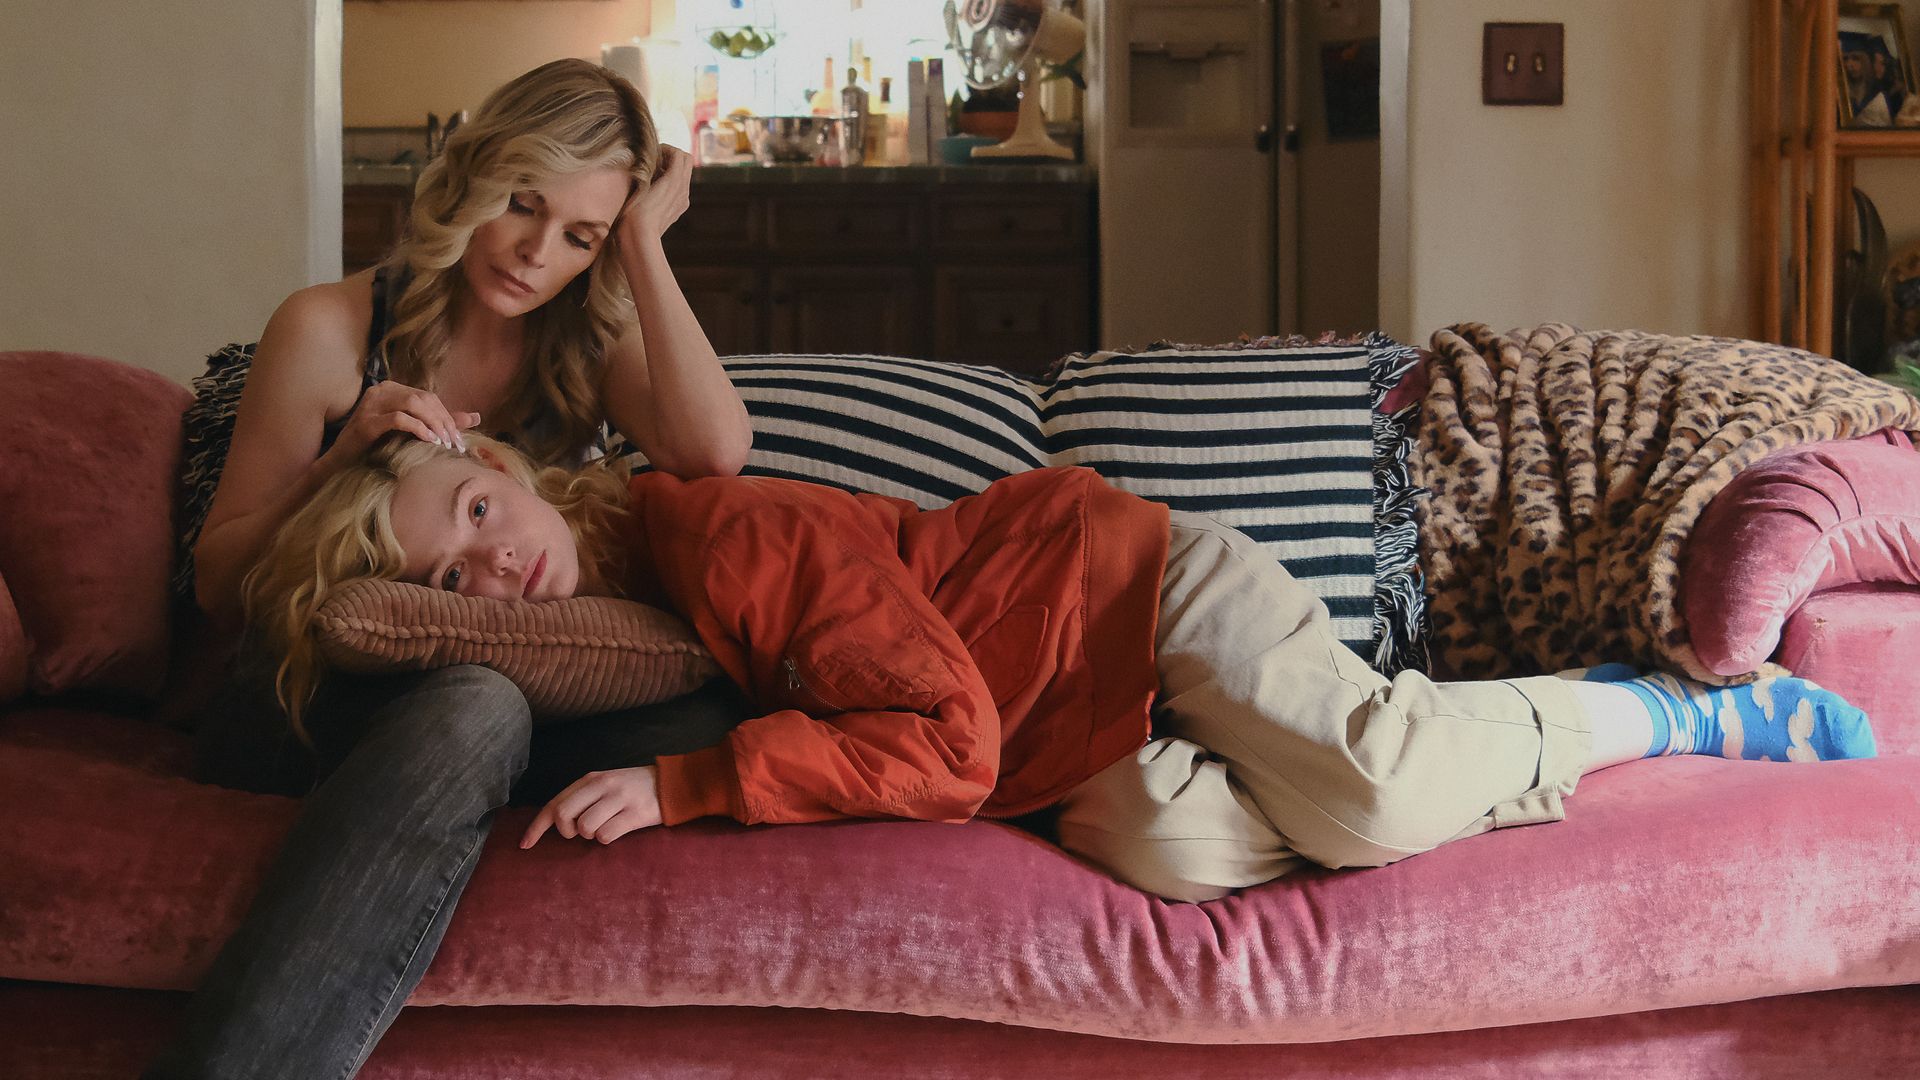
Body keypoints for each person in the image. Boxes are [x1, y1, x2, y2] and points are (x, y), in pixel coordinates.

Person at [245, 433, 1881, 905]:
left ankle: (1658, 707)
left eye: (473, 514)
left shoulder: (714, 536)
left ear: (514, 465)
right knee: (1174, 850)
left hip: (1136, 597)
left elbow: (941, 746)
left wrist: (689, 786)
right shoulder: (609, 635)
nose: (486, 569)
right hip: (1066, 740)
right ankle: (1455, 738)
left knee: (1377, 788)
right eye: (443, 582)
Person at [147, 59, 754, 1079]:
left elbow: (716, 452)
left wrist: (642, 246)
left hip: (528, 701)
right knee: (473, 701)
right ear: (472, 173)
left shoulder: (585, 345)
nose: (533, 251)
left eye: (580, 235)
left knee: (702, 712)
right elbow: (219, 587)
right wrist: (340, 458)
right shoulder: (333, 328)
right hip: (306, 688)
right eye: (523, 203)